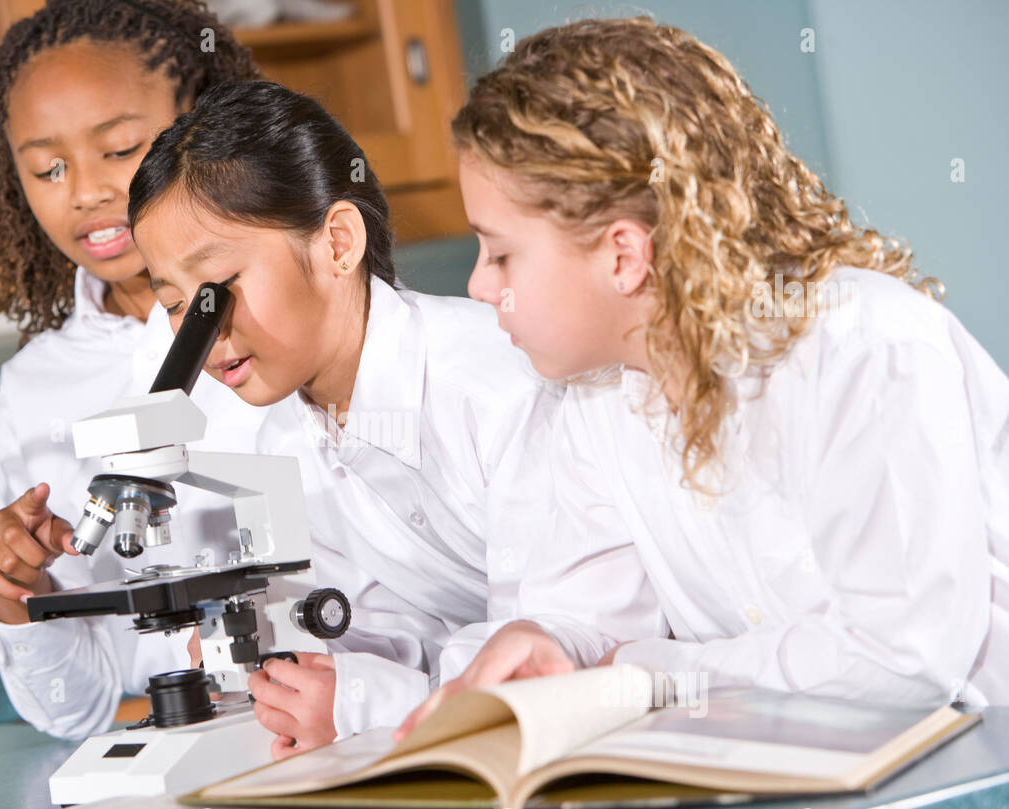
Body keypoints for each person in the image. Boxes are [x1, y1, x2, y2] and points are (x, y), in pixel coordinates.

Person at [401, 16, 1009, 737]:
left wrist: (650, 672)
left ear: (624, 255)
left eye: (500, 255)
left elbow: (901, 665)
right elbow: (589, 613)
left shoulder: (864, 348)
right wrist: (551, 643)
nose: (477, 285)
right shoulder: (598, 396)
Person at [129, 80, 562, 757]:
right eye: (177, 305)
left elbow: (550, 638)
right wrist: (299, 667)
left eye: (216, 291)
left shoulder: (499, 384)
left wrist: (364, 700)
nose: (201, 333)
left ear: (337, 243)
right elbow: (400, 628)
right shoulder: (289, 439)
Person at [0, 0, 270, 739]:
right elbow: (78, 711)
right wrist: (19, 590)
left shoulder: (281, 326)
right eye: (48, 168)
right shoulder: (34, 388)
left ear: (206, 127)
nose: (86, 191)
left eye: (121, 148)